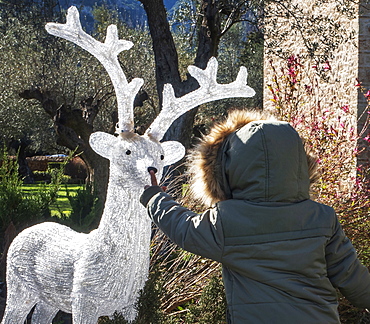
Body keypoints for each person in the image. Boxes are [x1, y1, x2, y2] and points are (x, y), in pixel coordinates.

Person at [140, 109, 370, 324]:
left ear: (230, 168)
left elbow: (183, 228)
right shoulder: (321, 217)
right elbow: (350, 274)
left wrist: (155, 198)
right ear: (298, 163)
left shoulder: (226, 221)